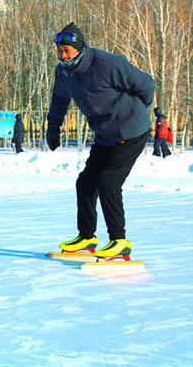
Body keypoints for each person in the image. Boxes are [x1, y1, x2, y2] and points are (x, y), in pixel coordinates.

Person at [46, 22, 155, 259]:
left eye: (68, 51)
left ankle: (119, 242)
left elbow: (146, 84)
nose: (63, 56)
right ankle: (86, 238)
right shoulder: (63, 72)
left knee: (108, 182)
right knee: (85, 182)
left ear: (80, 48)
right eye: (60, 51)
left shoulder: (107, 64)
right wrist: (53, 126)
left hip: (131, 131)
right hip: (105, 134)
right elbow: (59, 99)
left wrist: (135, 112)